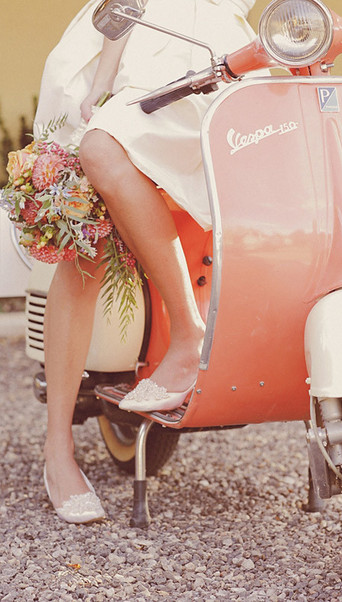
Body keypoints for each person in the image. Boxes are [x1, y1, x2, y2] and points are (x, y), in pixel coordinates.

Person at [34, 0, 257, 523]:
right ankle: (57, 450)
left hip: (230, 57)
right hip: (146, 48)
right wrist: (101, 82)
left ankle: (197, 339)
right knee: (90, 241)